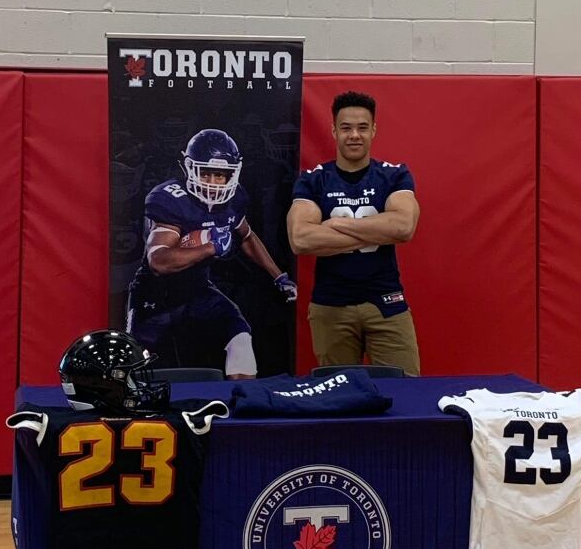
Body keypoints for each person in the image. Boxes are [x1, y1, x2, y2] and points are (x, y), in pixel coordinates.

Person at [127, 127, 297, 379]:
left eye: (221, 175)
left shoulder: (235, 198)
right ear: (190, 168)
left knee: (240, 335)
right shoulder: (170, 198)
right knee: (136, 365)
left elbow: (247, 236)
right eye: (206, 174)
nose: (214, 183)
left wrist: (278, 276)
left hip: (197, 289)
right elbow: (159, 262)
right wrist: (210, 246)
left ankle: (244, 403)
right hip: (156, 295)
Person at [287, 90, 420, 375]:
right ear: (334, 131)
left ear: (374, 130)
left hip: (386, 303)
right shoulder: (314, 179)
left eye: (362, 128)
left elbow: (403, 226)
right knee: (339, 399)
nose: (354, 135)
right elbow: (301, 238)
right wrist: (377, 230)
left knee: (407, 392)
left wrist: (335, 225)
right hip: (331, 306)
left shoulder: (393, 175)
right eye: (346, 128)